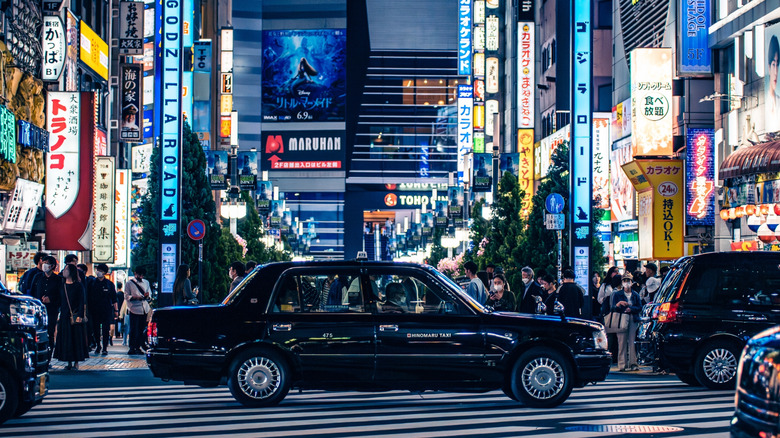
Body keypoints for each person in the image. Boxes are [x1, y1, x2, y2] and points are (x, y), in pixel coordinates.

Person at [54, 264, 89, 370]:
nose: (64, 271)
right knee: (66, 338)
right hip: (64, 316)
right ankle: (68, 361)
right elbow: (59, 300)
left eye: (66, 269)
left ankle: (76, 362)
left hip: (75, 316)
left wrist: (80, 315)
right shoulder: (62, 285)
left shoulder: (78, 285)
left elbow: (81, 301)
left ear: (71, 272)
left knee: (76, 338)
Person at [611, 272, 642, 371]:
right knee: (621, 342)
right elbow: (612, 308)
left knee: (632, 342)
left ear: (632, 282)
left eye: (628, 281)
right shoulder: (617, 294)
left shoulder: (635, 294)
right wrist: (619, 304)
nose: (626, 283)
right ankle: (622, 364)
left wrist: (631, 309)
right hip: (621, 318)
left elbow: (639, 307)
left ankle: (633, 363)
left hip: (632, 318)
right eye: (624, 281)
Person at [32, 255, 61, 359]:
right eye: (43, 263)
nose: (44, 265)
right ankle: (38, 356)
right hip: (38, 311)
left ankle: (48, 358)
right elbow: (32, 292)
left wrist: (51, 300)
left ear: (52, 266)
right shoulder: (37, 277)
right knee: (37, 333)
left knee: (50, 333)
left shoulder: (58, 279)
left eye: (47, 263)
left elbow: (60, 296)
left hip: (51, 311)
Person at [87, 264, 117, 355]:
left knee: (105, 329)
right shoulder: (91, 283)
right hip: (94, 310)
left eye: (100, 270)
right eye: (97, 270)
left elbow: (114, 298)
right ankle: (97, 345)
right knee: (95, 329)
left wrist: (116, 311)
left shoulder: (109, 284)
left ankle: (104, 347)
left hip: (106, 310)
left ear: (104, 272)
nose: (98, 272)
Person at [125, 267, 150, 355]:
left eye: (142, 275)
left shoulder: (146, 282)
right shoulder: (129, 283)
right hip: (134, 309)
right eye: (139, 275)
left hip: (144, 309)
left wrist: (147, 296)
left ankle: (138, 346)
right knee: (133, 329)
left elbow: (149, 294)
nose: (141, 277)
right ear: (135, 273)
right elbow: (127, 296)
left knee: (141, 329)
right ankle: (132, 347)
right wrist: (134, 297)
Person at [767, 36, 780, 132]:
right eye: (773, 64)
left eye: (777, 65)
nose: (776, 71)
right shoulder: (767, 101)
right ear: (768, 67)